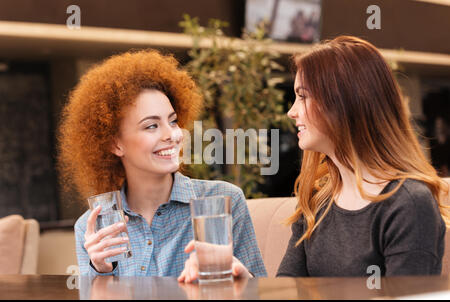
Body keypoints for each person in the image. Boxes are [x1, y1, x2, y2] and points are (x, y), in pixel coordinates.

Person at [58, 49, 266, 278]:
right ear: (116, 144)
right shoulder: (94, 227)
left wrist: (238, 275)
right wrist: (101, 271)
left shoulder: (223, 201)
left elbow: (260, 298)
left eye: (173, 121)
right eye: (151, 126)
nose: (173, 135)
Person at [277, 36, 450, 277]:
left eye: (303, 96)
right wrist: (246, 284)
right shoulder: (316, 202)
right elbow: (287, 289)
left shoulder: (408, 203)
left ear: (343, 103)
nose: (291, 111)